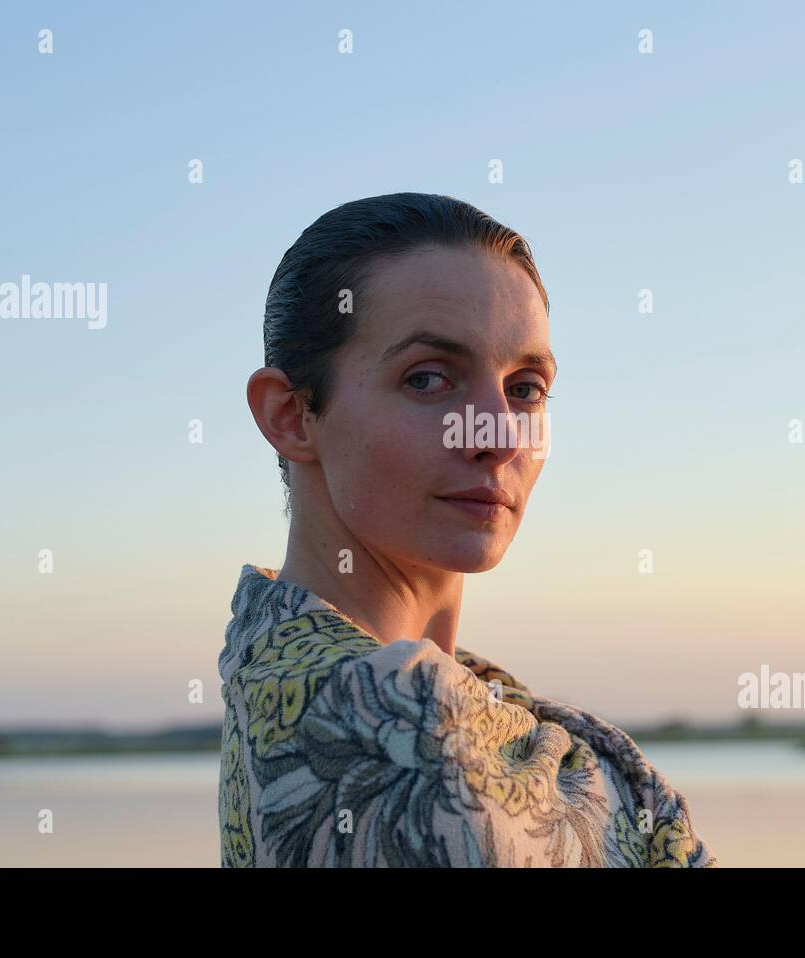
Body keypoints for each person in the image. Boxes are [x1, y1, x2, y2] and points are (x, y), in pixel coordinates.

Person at [217, 192, 715, 867]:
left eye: (526, 388)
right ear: (291, 416)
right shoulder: (395, 744)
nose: (498, 434)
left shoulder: (297, 680)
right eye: (428, 379)